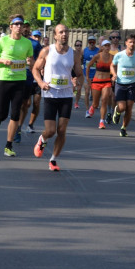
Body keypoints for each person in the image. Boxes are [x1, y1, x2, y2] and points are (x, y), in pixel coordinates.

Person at [31, 24, 83, 172]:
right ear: (55, 35)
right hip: (50, 94)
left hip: (66, 94)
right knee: (51, 130)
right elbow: (35, 69)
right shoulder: (47, 51)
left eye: (66, 31)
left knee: (62, 130)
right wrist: (40, 83)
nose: (64, 34)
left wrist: (76, 81)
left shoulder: (74, 54)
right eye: (61, 32)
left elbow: (79, 73)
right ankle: (42, 139)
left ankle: (53, 159)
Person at [0, 15, 34, 157]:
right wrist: (1, 60)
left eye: (21, 24)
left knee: (15, 113)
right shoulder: (3, 40)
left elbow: (31, 60)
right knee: (3, 113)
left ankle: (8, 146)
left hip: (20, 80)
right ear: (11, 27)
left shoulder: (27, 43)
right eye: (16, 24)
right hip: (4, 79)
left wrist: (31, 62)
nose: (19, 26)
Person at [110, 34, 135, 137]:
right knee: (122, 107)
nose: (132, 44)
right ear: (126, 43)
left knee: (129, 107)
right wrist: (114, 74)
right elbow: (112, 65)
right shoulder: (119, 55)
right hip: (120, 84)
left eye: (134, 42)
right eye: (130, 42)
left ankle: (123, 128)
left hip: (132, 84)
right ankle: (117, 111)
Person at [86, 40, 114, 129]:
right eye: (105, 45)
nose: (107, 47)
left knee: (104, 100)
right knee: (96, 104)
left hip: (107, 82)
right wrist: (87, 77)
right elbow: (89, 66)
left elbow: (115, 68)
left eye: (108, 45)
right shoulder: (97, 56)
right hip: (97, 81)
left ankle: (102, 121)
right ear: (102, 47)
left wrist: (113, 76)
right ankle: (92, 107)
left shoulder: (112, 57)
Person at [77, 36, 99, 115]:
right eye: (90, 42)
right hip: (87, 75)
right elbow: (80, 60)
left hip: (96, 75)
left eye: (93, 42)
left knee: (94, 94)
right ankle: (87, 110)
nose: (92, 43)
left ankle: (92, 106)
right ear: (88, 42)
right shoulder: (84, 51)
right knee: (87, 92)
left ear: (95, 42)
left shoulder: (98, 51)